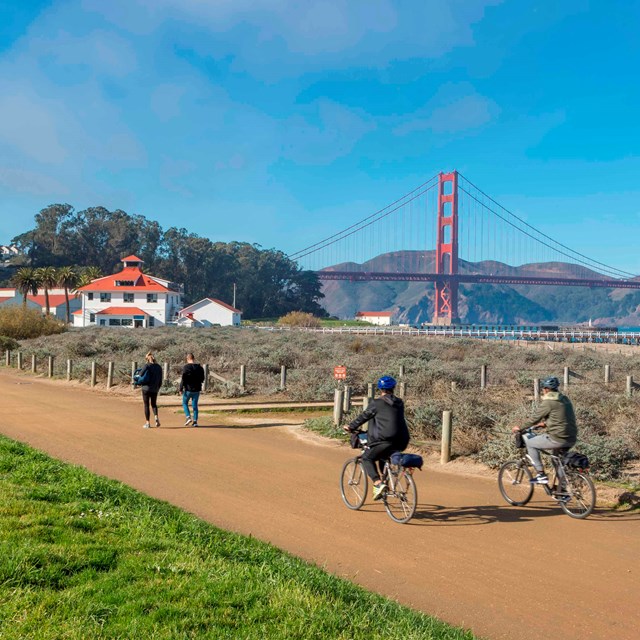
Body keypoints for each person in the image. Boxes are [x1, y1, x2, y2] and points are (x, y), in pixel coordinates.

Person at [343, 375, 410, 500]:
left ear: (380, 389)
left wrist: (351, 427)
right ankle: (385, 484)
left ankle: (378, 483)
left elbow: (364, 416)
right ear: (394, 388)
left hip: (384, 440)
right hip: (402, 440)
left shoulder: (377, 403)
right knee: (383, 457)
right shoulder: (399, 403)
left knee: (367, 458)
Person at [512, 375, 577, 484]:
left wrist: (520, 427)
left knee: (531, 444)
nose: (543, 391)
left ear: (546, 389)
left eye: (543, 388)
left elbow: (534, 419)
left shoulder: (548, 402)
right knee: (556, 459)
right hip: (571, 438)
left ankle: (541, 474)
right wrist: (546, 423)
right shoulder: (564, 399)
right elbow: (563, 417)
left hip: (557, 438)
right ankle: (564, 489)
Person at [134, 352, 163, 429]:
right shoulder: (159, 367)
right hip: (155, 388)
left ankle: (147, 423)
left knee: (146, 405)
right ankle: (156, 418)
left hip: (146, 388)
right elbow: (160, 380)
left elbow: (140, 375)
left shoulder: (147, 366)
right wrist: (158, 388)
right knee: (154, 404)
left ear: (147, 359)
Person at [179, 352, 205, 427]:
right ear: (193, 358)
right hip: (197, 389)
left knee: (184, 403)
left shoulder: (186, 367)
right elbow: (203, 379)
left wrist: (181, 388)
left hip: (188, 389)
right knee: (195, 405)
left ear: (188, 359)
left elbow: (183, 379)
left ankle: (188, 417)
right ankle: (195, 421)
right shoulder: (200, 368)